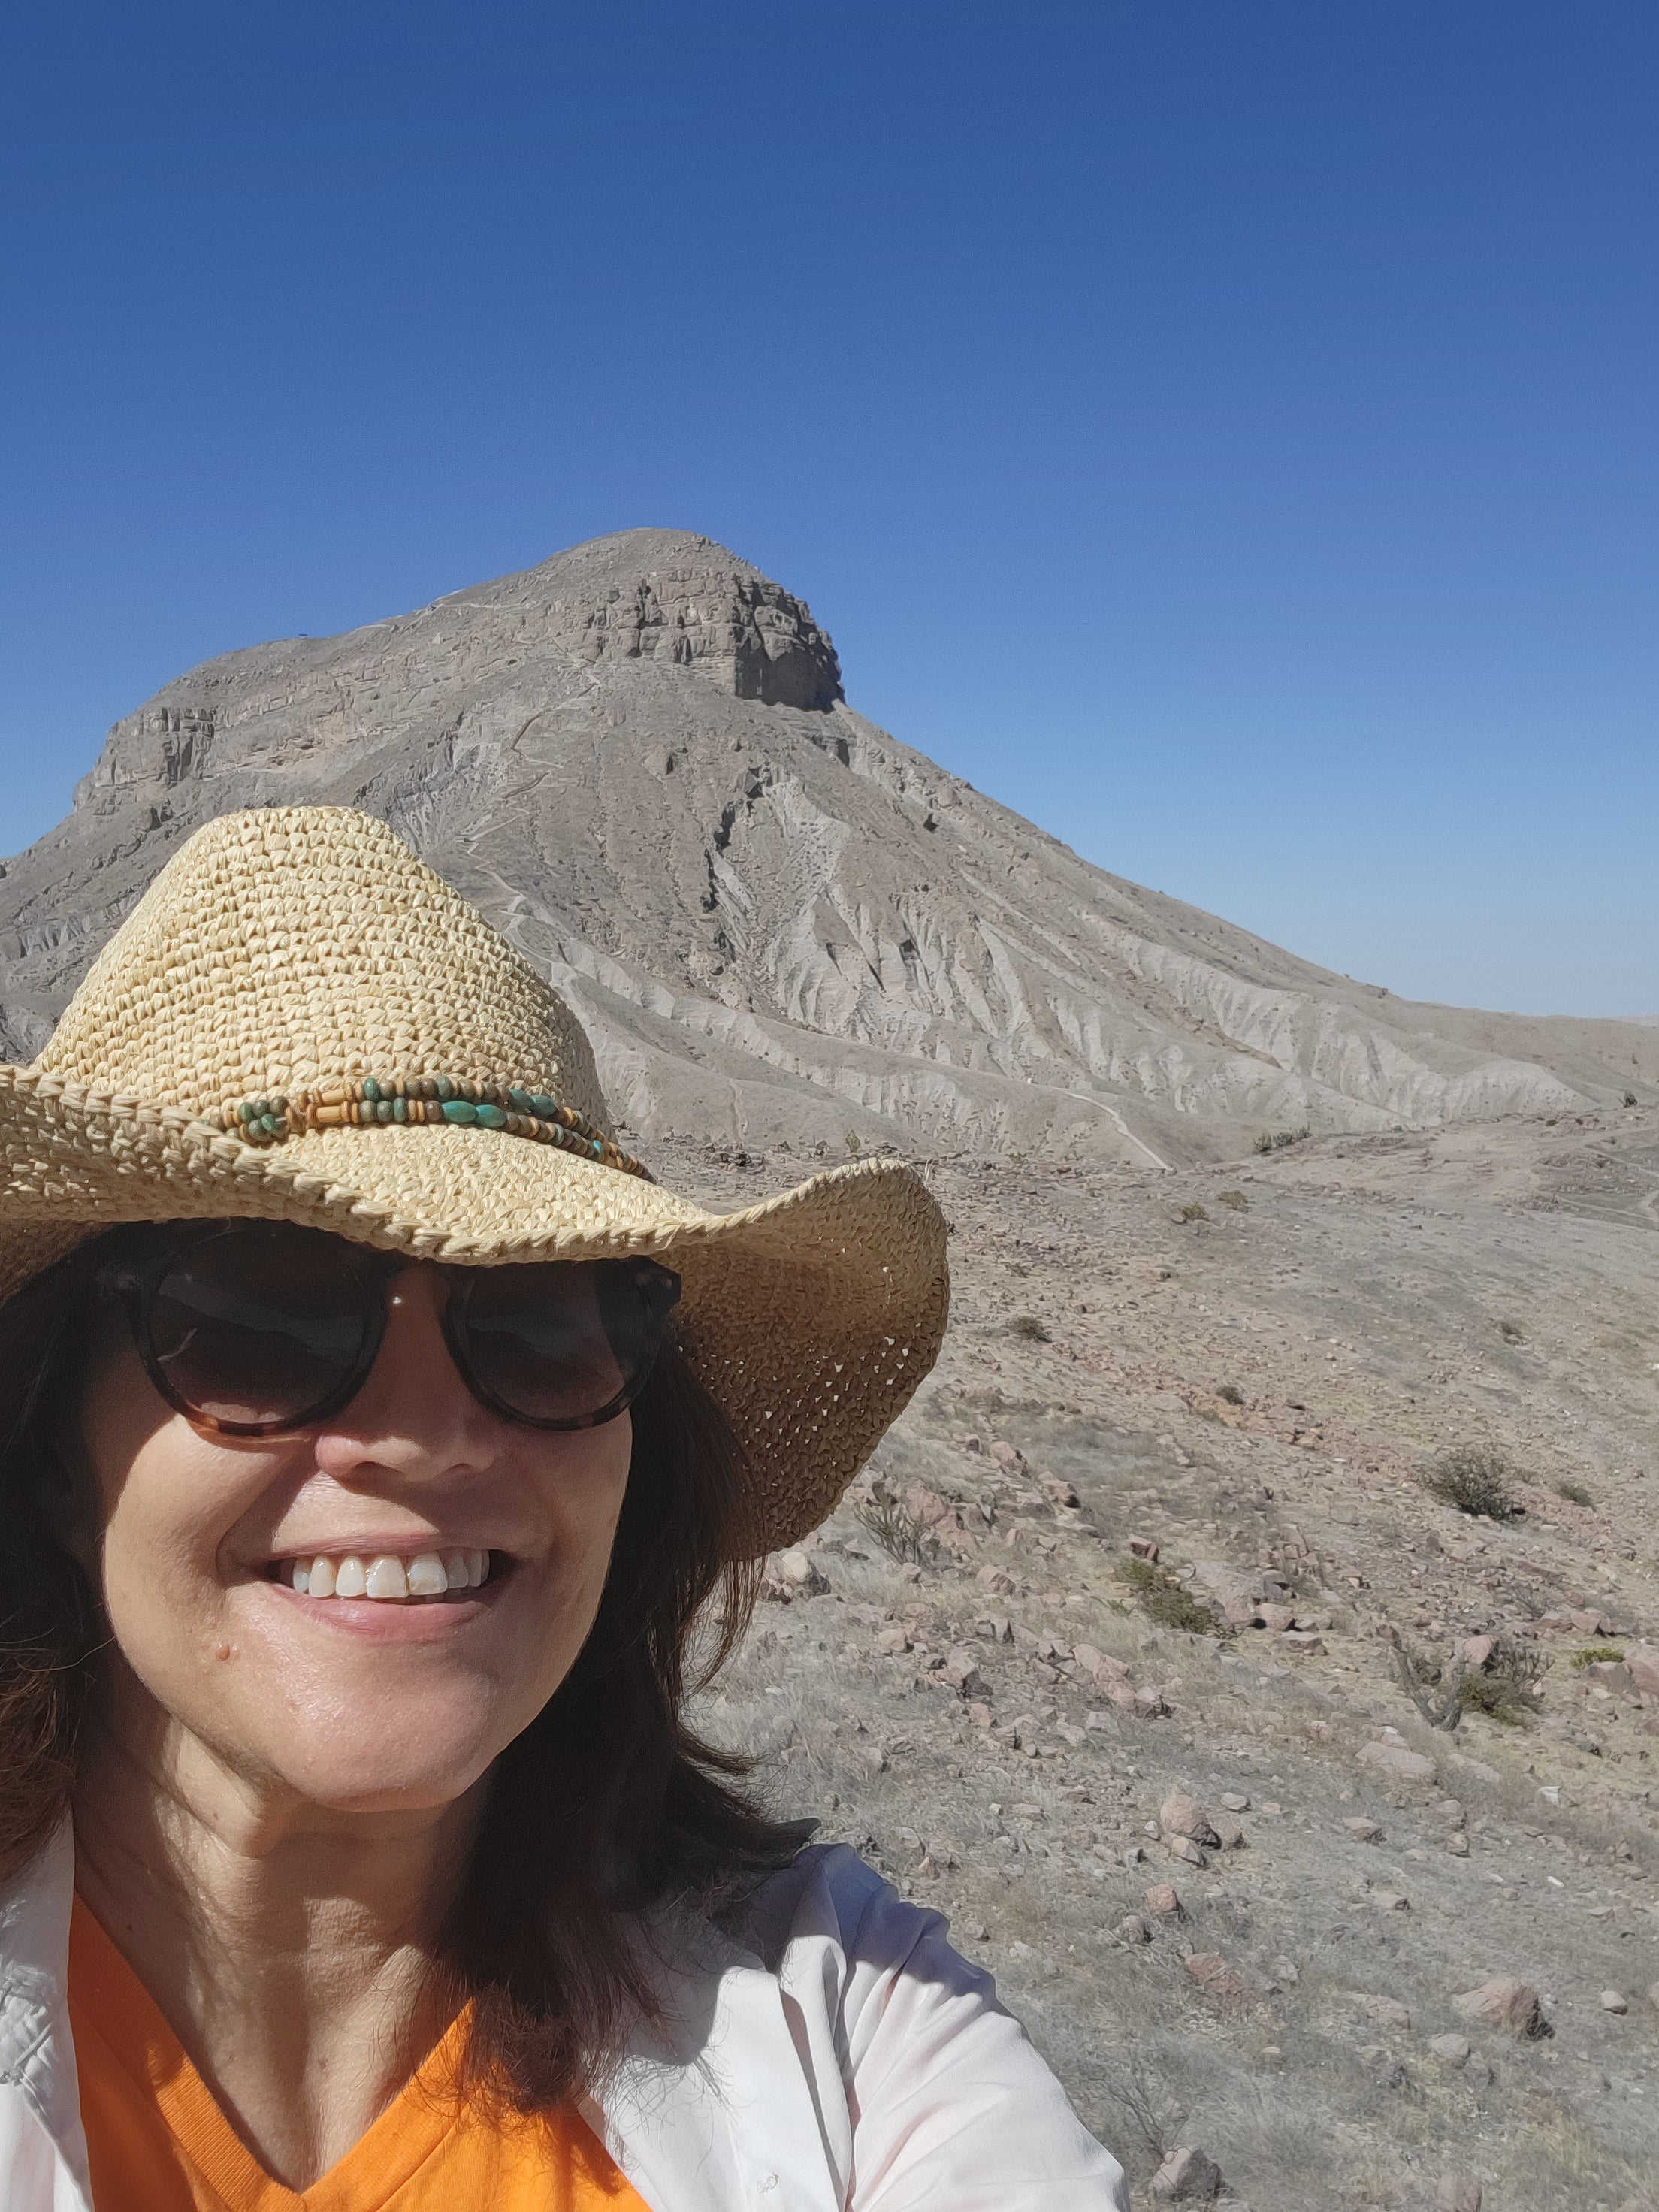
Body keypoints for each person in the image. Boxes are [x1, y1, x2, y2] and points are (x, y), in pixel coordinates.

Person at [0, 805, 1129, 2211]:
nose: (421, 1439)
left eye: (543, 1325)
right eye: (259, 1323)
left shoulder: (848, 2024)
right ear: (52, 1451)